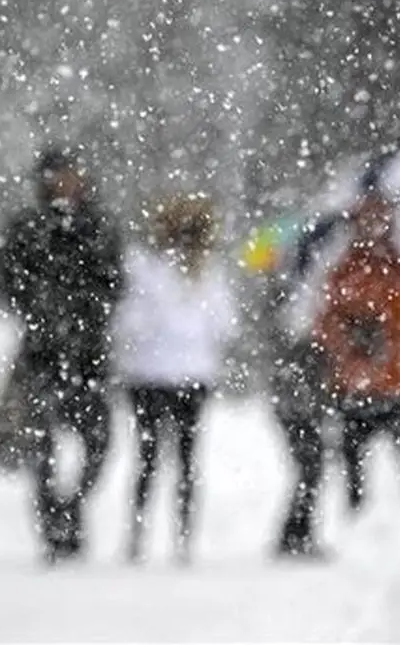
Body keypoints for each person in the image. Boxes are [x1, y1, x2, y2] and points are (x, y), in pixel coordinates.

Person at [0, 145, 125, 564]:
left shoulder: (98, 227)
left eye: (70, 174)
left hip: (89, 355)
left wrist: (83, 309)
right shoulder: (26, 228)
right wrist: (42, 310)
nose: (64, 183)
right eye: (56, 176)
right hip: (42, 353)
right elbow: (6, 282)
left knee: (98, 444)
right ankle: (53, 522)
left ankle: (71, 510)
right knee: (40, 446)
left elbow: (114, 284)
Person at [114, 194, 237, 565]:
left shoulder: (209, 275)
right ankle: (140, 535)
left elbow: (226, 324)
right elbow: (128, 323)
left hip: (190, 376)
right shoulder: (145, 269)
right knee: (152, 459)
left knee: (181, 460)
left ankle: (181, 537)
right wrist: (162, 313)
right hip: (151, 376)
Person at [312, 167, 400, 518]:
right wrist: (352, 340)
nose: (374, 229)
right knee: (356, 476)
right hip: (359, 385)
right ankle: (358, 528)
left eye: (380, 221)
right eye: (367, 223)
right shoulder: (344, 272)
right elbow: (326, 325)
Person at [266, 212, 345, 561]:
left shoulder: (301, 291)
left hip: (304, 389)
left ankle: (297, 532)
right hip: (297, 391)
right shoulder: (294, 295)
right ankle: (294, 534)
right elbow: (291, 337)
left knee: (311, 465)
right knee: (311, 464)